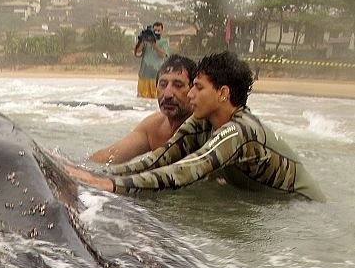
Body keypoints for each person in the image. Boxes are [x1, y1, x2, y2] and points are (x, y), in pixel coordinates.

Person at [66, 51, 324, 201]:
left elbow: (185, 171)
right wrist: (92, 174)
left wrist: (111, 186)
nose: (190, 95)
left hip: (301, 205)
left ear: (223, 93)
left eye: (198, 88)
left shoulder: (238, 132)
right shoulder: (201, 123)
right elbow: (159, 159)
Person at [90, 55, 196, 166]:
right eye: (163, 85)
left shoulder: (203, 128)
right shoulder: (154, 126)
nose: (167, 94)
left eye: (178, 85)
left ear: (194, 91)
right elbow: (110, 155)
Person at [134, 21, 169, 99]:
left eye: (158, 31)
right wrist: (142, 41)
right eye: (155, 30)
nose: (156, 32)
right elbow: (137, 53)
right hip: (143, 75)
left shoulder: (164, 42)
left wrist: (153, 44)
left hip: (156, 76)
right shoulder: (146, 42)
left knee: (156, 98)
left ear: (162, 31)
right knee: (142, 99)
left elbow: (163, 55)